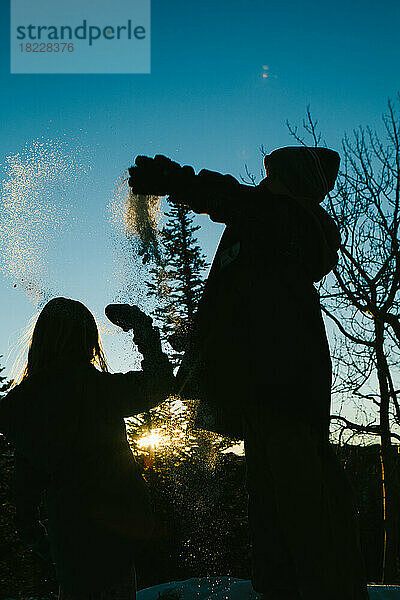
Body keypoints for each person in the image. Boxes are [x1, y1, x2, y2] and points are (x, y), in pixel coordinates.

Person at [128, 148, 369, 600]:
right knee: (277, 520)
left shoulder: (284, 220)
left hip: (283, 390)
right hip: (269, 393)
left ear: (293, 184)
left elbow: (231, 197)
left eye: (272, 176)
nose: (264, 183)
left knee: (303, 517)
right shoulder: (271, 230)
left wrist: (174, 180)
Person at [0, 298, 174, 600]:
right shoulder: (96, 391)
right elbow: (159, 383)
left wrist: (47, 546)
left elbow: (25, 497)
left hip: (68, 543)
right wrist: (143, 329)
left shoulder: (25, 407)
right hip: (113, 542)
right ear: (89, 343)